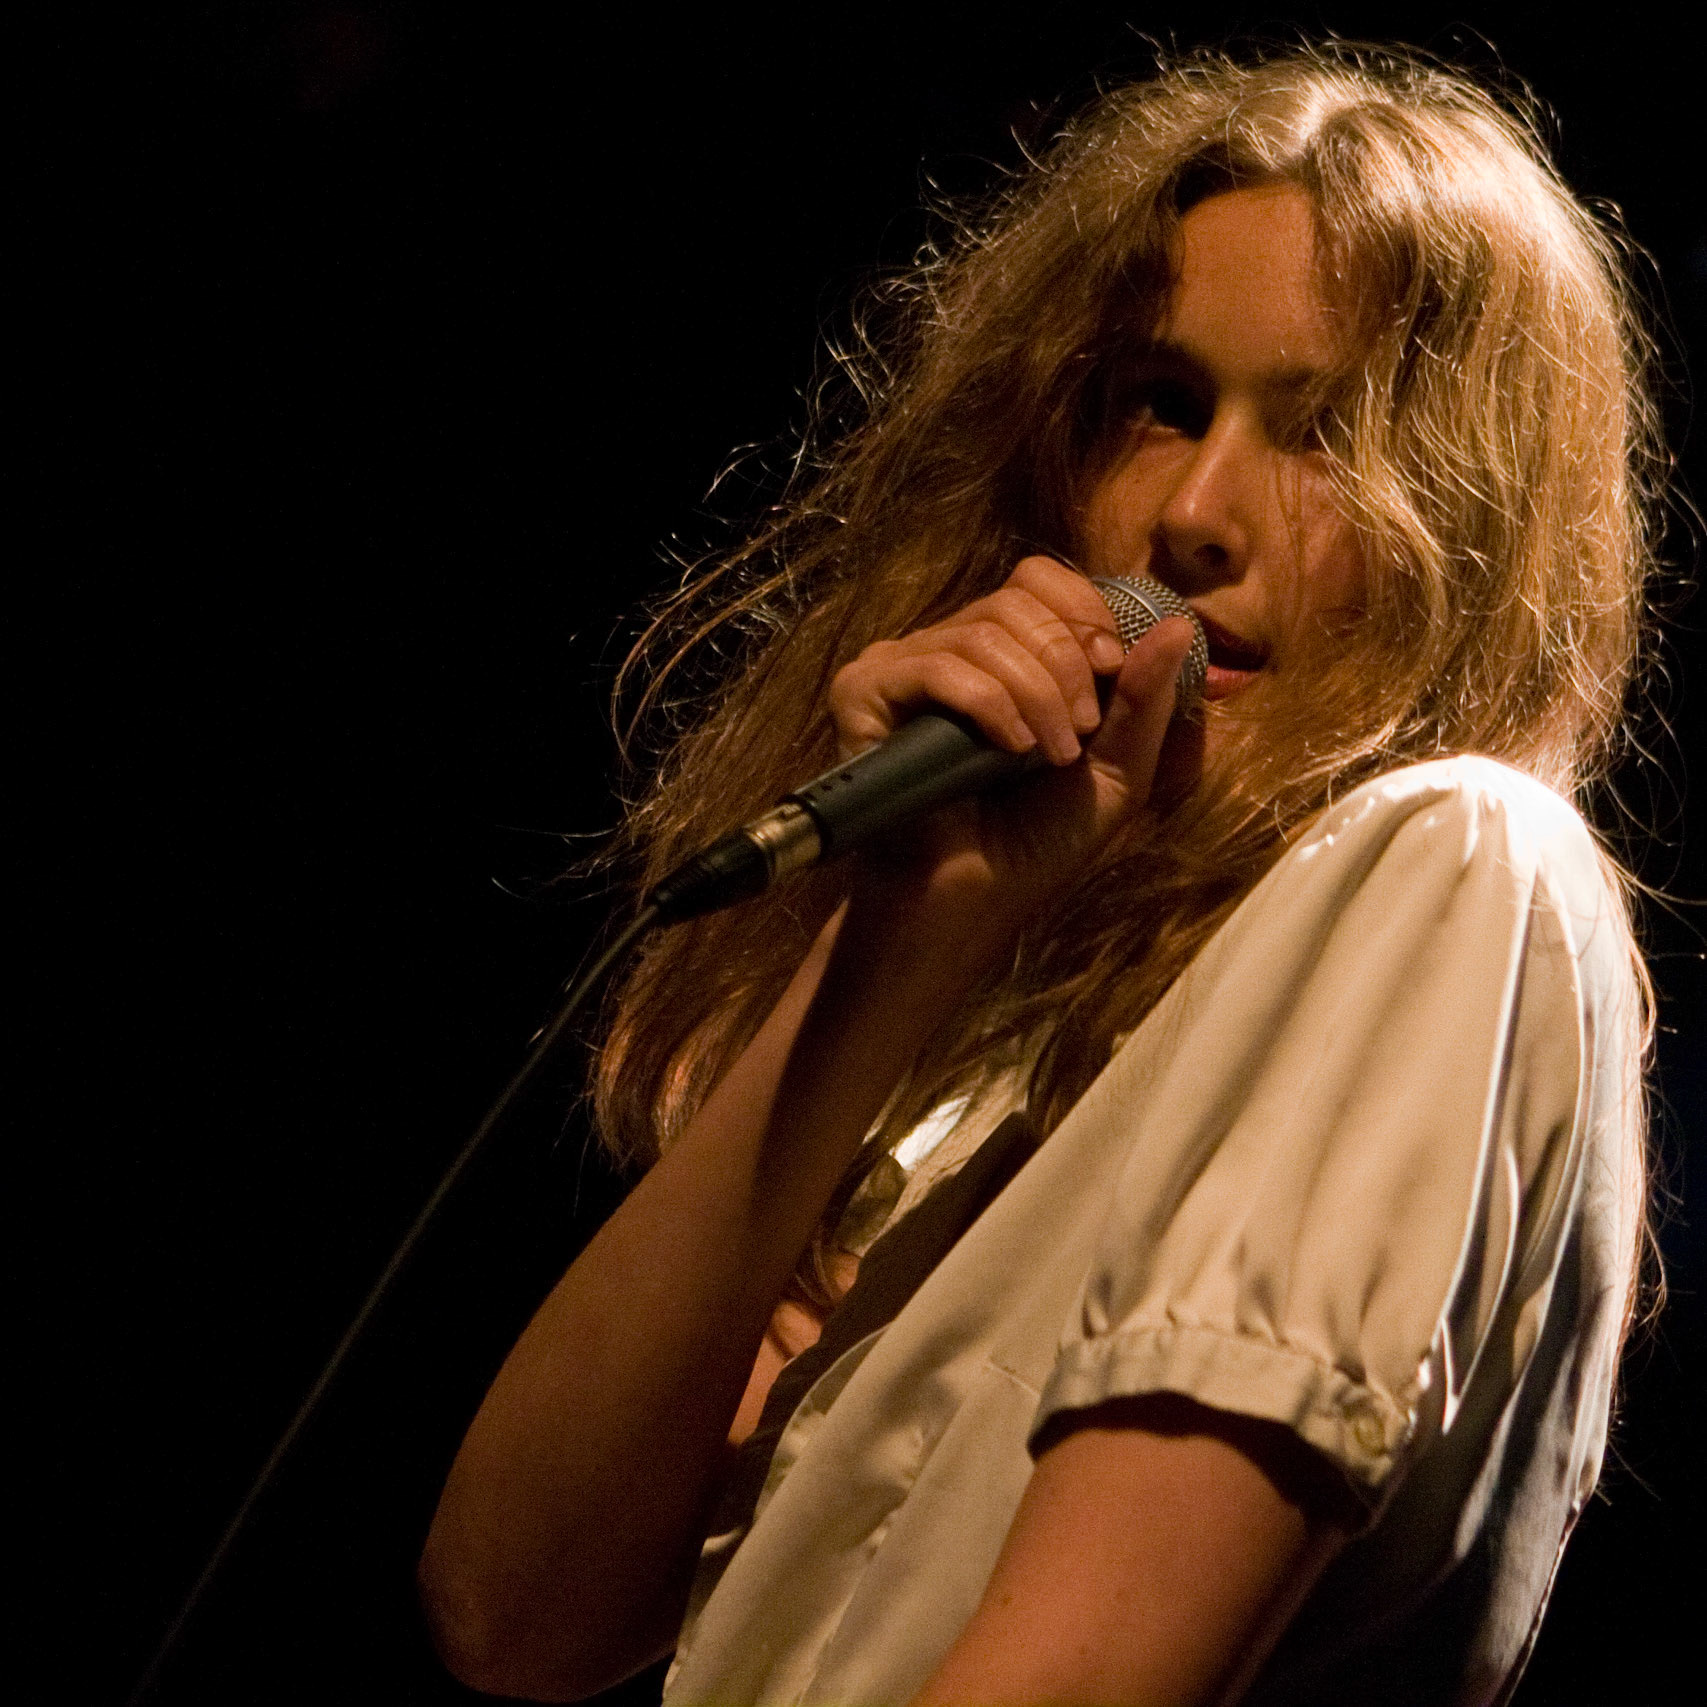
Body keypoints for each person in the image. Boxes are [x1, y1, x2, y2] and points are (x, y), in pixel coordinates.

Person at [419, 45, 1662, 1706]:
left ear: (1481, 522)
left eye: (1325, 433)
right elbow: (510, 1609)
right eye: (1162, 403)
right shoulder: (994, 1080)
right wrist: (896, 938)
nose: (1194, 516)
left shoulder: (1454, 864)